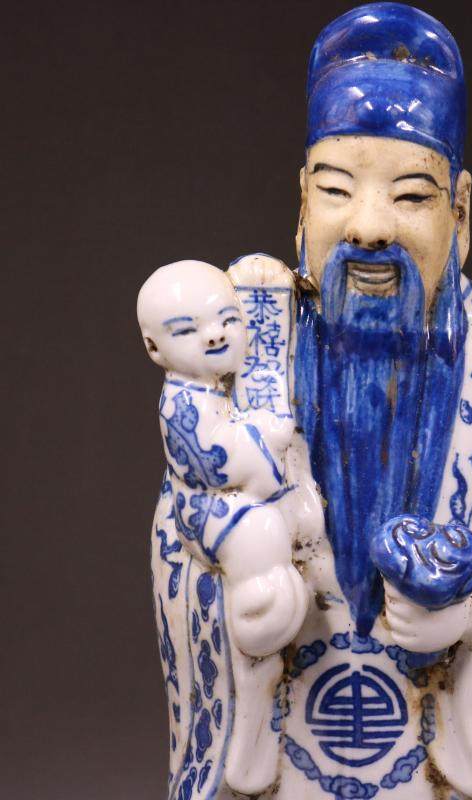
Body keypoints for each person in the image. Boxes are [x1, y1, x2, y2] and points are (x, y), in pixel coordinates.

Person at [147, 6, 472, 799]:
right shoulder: (252, 338)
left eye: (410, 196)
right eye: (336, 191)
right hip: (289, 743)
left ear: (460, 212)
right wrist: (243, 595)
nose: (369, 227)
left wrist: (470, 609)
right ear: (302, 202)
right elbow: (185, 524)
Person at [140, 258, 309, 797]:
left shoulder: (211, 392)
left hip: (226, 501)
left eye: (228, 320)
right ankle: (259, 615)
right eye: (187, 331)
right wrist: (263, 436)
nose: (214, 336)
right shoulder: (181, 402)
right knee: (257, 532)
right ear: (155, 349)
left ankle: (268, 610)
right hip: (204, 512)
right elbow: (213, 464)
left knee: (273, 526)